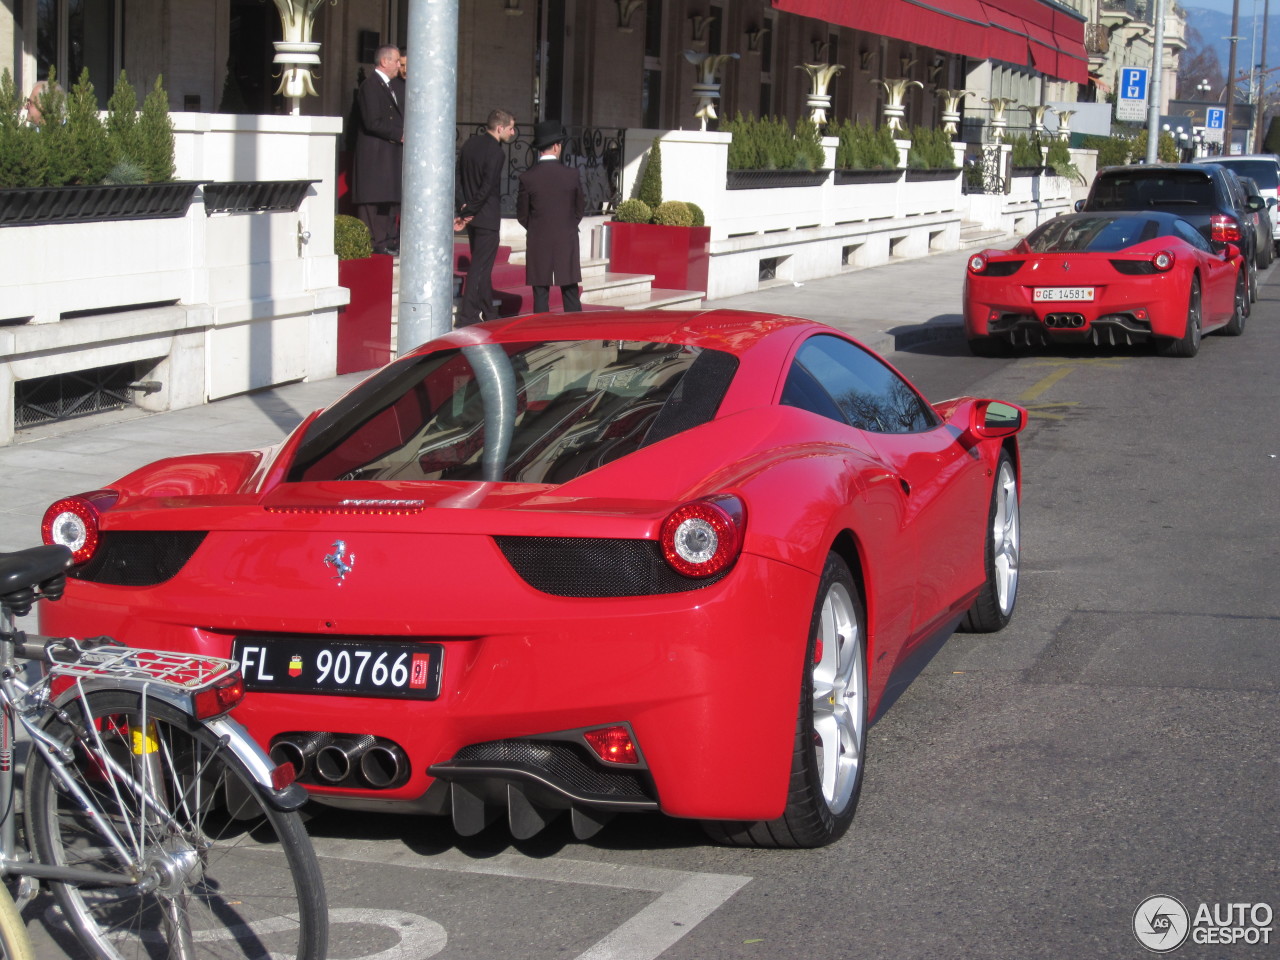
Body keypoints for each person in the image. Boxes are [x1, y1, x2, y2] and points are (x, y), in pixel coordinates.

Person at [455, 108, 517, 326]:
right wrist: (468, 210)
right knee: (479, 269)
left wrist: (463, 206)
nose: (512, 132)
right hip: (486, 216)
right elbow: (488, 187)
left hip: (473, 215)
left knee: (480, 267)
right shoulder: (496, 152)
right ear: (499, 128)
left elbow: (458, 177)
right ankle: (467, 316)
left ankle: (489, 313)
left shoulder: (470, 144)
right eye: (510, 128)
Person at [516, 121, 584, 313]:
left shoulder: (528, 177)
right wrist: (568, 225)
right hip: (566, 237)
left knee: (540, 291)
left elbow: (522, 214)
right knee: (570, 289)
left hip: (539, 238)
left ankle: (541, 333)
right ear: (556, 146)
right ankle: (574, 332)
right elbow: (580, 207)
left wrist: (537, 228)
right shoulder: (571, 174)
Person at [352, 45, 404, 255]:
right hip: (375, 156)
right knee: (374, 203)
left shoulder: (392, 86)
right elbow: (372, 121)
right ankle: (377, 243)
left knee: (388, 201)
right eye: (397, 61)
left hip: (388, 155)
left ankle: (388, 240)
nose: (400, 65)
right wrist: (399, 134)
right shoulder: (370, 85)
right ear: (385, 61)